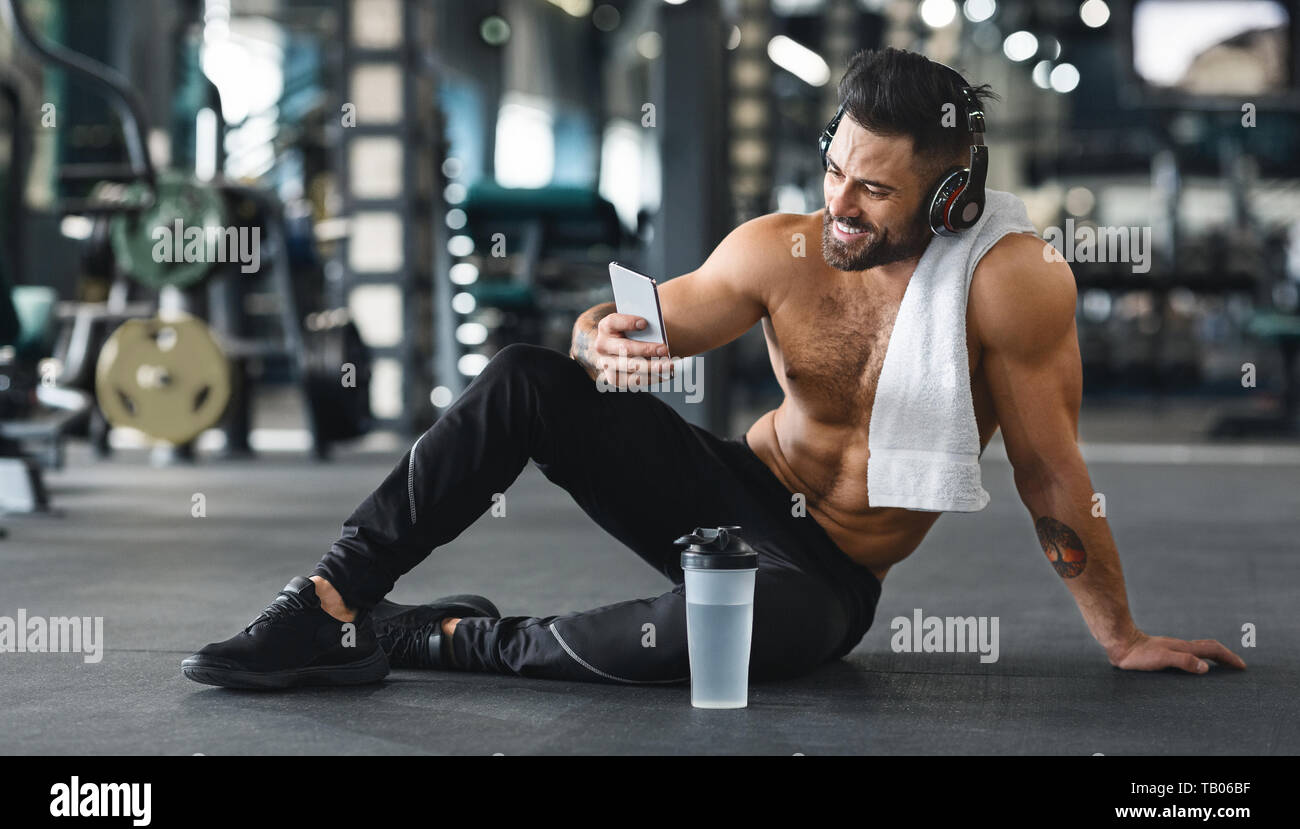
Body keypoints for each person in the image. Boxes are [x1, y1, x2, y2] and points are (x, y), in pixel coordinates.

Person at [183, 47, 1245, 690]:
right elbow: (656, 318)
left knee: (759, 635)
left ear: (952, 198)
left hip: (824, 574)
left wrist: (1121, 639)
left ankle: (425, 635)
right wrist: (600, 330)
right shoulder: (775, 247)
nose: (839, 204)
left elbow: (1050, 472)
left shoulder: (1013, 284)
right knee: (524, 374)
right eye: (834, 168)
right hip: (727, 491)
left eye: (873, 190)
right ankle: (329, 602)